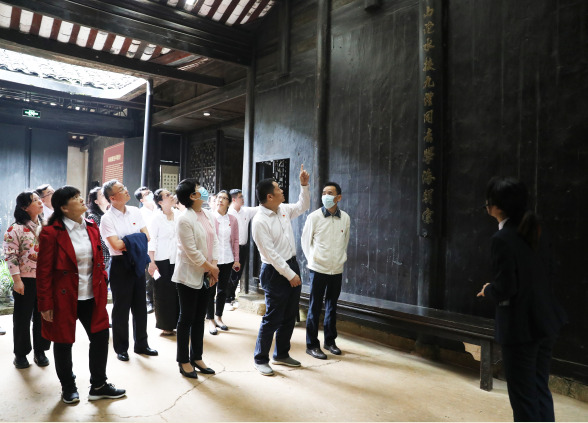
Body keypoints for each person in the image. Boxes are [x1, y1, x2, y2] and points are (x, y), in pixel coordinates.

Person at [477, 177, 566, 422]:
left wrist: (488, 290)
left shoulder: (502, 239)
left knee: (523, 396)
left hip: (521, 328)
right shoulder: (536, 230)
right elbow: (548, 272)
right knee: (539, 388)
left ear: (496, 207)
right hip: (545, 320)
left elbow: (506, 288)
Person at [37, 186, 126, 404]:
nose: (81, 200)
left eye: (79, 196)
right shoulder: (51, 232)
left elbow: (98, 258)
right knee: (63, 341)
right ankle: (68, 387)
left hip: (92, 295)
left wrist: (102, 281)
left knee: (101, 337)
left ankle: (99, 385)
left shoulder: (91, 225)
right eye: (75, 198)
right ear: (64, 208)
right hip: (63, 297)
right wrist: (45, 303)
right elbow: (44, 271)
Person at [251, 164, 310, 376]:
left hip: (291, 265)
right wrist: (290, 274)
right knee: (273, 317)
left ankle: (282, 354)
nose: (282, 190)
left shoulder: (282, 209)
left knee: (289, 314)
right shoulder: (259, 221)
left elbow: (302, 206)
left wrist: (304, 185)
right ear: (269, 196)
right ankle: (260, 358)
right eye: (278, 189)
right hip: (274, 271)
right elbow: (271, 254)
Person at [100, 180, 158, 361]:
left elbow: (147, 236)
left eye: (124, 187)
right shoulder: (107, 218)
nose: (126, 190)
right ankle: (121, 348)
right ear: (112, 198)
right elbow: (116, 245)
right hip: (120, 264)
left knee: (140, 306)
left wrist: (129, 240)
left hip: (138, 261)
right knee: (121, 308)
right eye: (121, 189)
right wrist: (136, 239)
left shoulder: (134, 211)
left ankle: (141, 344)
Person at [172, 179, 219, 378]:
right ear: (192, 196)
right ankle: (183, 360)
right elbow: (191, 251)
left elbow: (214, 241)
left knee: (200, 318)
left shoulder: (207, 214)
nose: (204, 191)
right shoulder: (184, 219)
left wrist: (213, 266)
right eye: (199, 189)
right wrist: (212, 268)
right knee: (187, 318)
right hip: (188, 275)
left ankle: (197, 357)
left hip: (207, 273)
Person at [302, 182, 351, 359]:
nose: (325, 196)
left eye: (330, 193)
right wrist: (314, 261)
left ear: (338, 197)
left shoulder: (345, 218)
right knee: (314, 306)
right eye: (324, 193)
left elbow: (345, 242)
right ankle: (312, 345)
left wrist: (339, 259)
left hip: (336, 269)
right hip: (318, 269)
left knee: (332, 306)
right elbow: (305, 242)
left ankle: (330, 341)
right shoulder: (314, 217)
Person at [3, 191, 51, 368]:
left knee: (43, 316)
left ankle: (40, 351)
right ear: (24, 207)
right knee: (22, 318)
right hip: (25, 279)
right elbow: (10, 256)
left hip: (45, 279)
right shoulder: (14, 229)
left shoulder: (46, 226)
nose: (40, 202)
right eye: (34, 200)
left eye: (39, 199)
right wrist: (17, 281)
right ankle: (21, 354)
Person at [206, 190, 239, 335]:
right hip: (213, 260)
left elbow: (236, 240)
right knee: (210, 289)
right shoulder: (209, 217)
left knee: (223, 290)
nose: (220, 200)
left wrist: (236, 259)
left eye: (224, 198)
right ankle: (210, 319)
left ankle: (219, 316)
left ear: (229, 203)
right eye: (219, 197)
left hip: (228, 258)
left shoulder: (233, 219)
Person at [147, 189, 180, 336]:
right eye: (167, 195)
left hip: (177, 259)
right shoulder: (156, 218)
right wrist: (152, 262)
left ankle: (178, 322)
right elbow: (152, 241)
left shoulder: (178, 214)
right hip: (161, 260)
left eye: (170, 194)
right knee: (163, 293)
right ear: (160, 202)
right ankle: (166, 325)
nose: (171, 196)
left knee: (177, 291)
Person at [227, 189, 259, 309]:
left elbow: (259, 208)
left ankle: (232, 296)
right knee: (230, 273)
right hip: (231, 248)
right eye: (240, 197)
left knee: (238, 272)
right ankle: (226, 299)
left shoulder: (246, 211)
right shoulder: (228, 213)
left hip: (243, 247)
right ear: (234, 199)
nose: (243, 199)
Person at [135, 186, 156, 314]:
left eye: (150, 192)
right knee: (149, 277)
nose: (150, 195)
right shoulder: (140, 213)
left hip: (161, 248)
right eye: (146, 194)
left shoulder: (159, 209)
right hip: (147, 249)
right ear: (141, 200)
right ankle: (149, 302)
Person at [86, 187, 111, 272]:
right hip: (103, 259)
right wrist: (115, 247)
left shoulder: (109, 215)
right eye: (102, 195)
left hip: (112, 257)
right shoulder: (93, 217)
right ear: (96, 201)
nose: (106, 196)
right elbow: (99, 239)